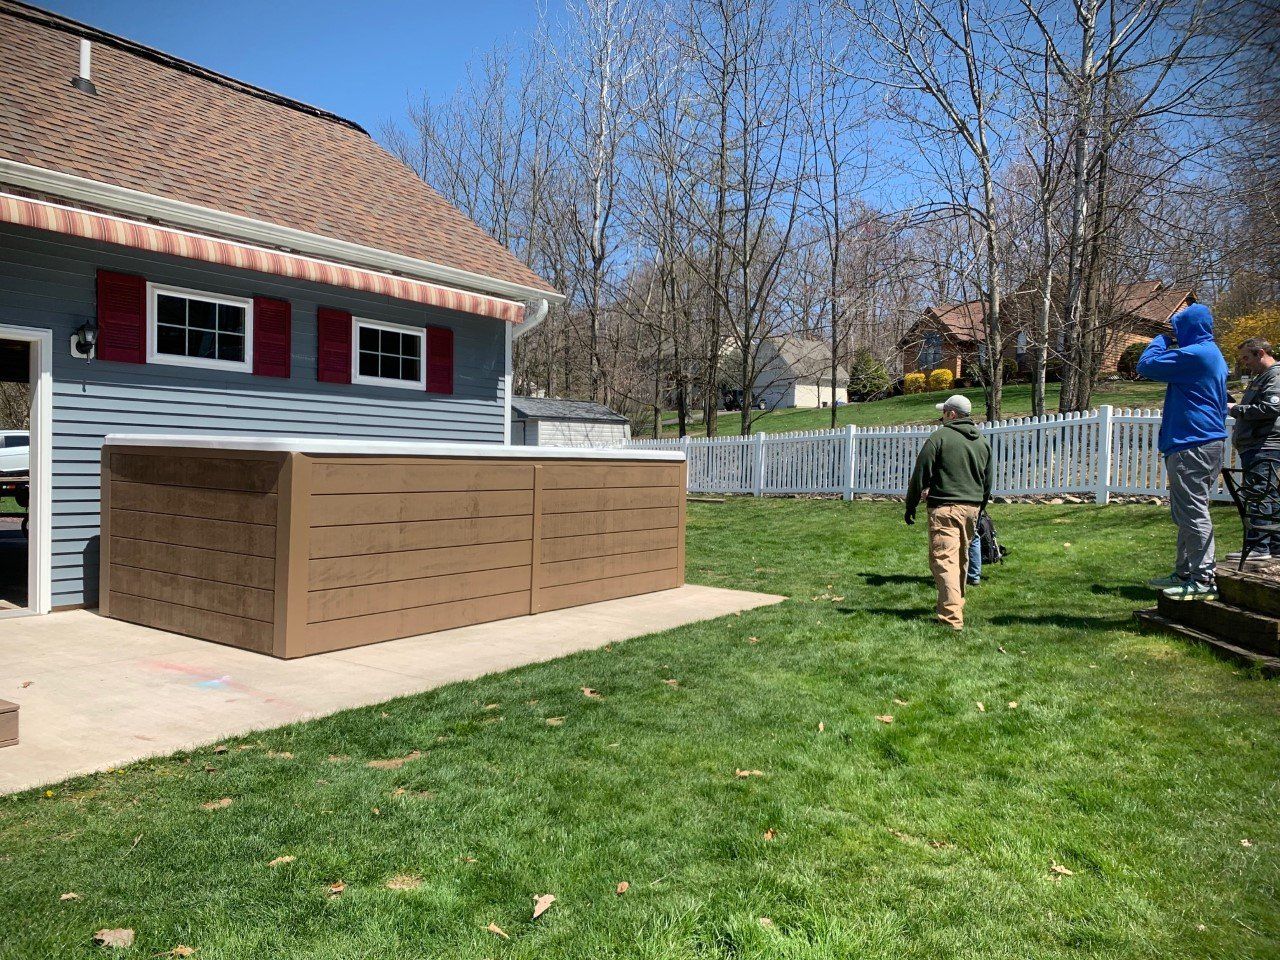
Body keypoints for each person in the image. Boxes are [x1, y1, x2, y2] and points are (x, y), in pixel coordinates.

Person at [1136, 302, 1229, 600]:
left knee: (1194, 512)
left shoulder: (1197, 354)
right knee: (1186, 513)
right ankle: (1185, 572)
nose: (1175, 334)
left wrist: (1161, 339)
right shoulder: (1208, 353)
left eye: (1178, 329)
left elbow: (1146, 365)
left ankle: (1203, 579)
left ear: (1189, 328)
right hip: (1197, 441)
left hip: (1194, 442)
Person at [904, 394, 993, 631]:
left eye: (944, 412)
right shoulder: (982, 442)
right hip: (972, 509)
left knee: (944, 561)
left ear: (951, 414)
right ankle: (956, 603)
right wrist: (980, 507)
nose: (941, 416)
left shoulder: (940, 437)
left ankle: (952, 618)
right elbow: (987, 481)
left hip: (945, 508)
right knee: (961, 559)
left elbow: (920, 474)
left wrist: (910, 505)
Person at [1227, 337, 1280, 561]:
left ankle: (1258, 547)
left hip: (1264, 446)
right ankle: (1275, 547)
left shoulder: (1275, 376)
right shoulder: (1262, 377)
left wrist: (1236, 409)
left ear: (1260, 353)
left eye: (1246, 358)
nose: (1244, 363)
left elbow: (1272, 407)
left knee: (1260, 494)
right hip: (1256, 445)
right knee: (1271, 495)